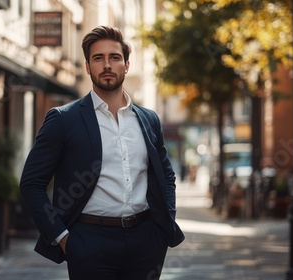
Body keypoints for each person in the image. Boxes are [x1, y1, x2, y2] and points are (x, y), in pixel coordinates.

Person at [20, 25, 185, 280]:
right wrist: (63, 238)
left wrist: (162, 228)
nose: (107, 65)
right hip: (89, 242)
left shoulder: (149, 120)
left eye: (114, 57)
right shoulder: (64, 120)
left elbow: (167, 177)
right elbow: (32, 183)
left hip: (146, 242)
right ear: (88, 67)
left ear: (126, 65)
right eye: (98, 58)